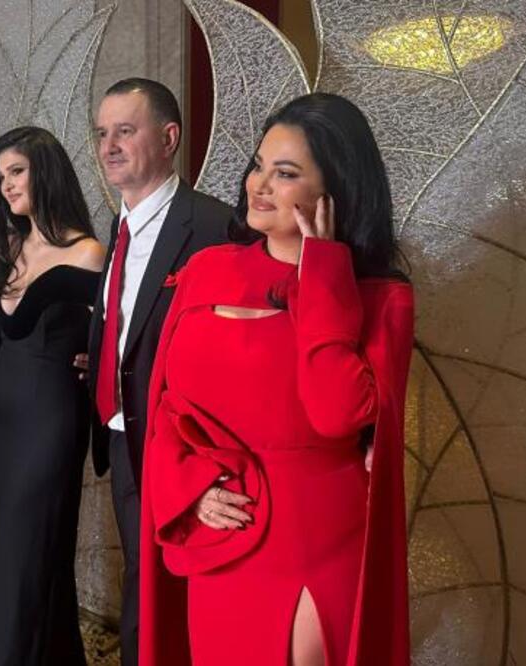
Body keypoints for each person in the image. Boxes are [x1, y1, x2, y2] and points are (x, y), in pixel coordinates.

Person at [139, 93, 415, 666]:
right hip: (222, 539)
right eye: (259, 165)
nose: (258, 185)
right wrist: (191, 489)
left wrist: (324, 272)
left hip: (317, 541)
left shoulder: (382, 299)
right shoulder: (206, 270)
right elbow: (166, 409)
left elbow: (336, 414)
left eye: (285, 173)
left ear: (334, 191)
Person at [81, 78, 233, 666]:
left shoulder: (216, 228)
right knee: (143, 581)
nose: (109, 146)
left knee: (185, 588)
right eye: (102, 133)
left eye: (125, 130)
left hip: (187, 447)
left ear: (169, 139)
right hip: (125, 436)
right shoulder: (116, 225)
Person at [0, 126, 105, 665]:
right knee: (18, 544)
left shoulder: (88, 252)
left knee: (27, 546)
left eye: (17, 171)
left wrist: (95, 360)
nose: (6, 185)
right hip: (2, 413)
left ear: (45, 172)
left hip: (51, 415)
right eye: (0, 176)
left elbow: (114, 336)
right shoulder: (8, 244)